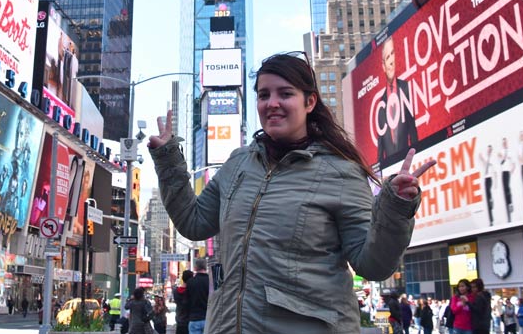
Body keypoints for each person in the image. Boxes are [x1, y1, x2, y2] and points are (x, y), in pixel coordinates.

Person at [148, 52, 434, 333]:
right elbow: (193, 222)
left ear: (309, 102)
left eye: (285, 94)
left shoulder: (341, 172)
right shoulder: (237, 163)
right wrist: (168, 159)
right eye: (263, 95)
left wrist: (395, 208)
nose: (272, 103)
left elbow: (373, 265)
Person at [377, 38, 418, 163]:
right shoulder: (381, 104)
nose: (391, 61)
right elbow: (381, 145)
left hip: (408, 160)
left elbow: (413, 128)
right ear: (383, 66)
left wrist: (418, 154)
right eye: (387, 57)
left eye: (393, 54)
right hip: (390, 170)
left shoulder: (406, 88)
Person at [186, 259, 210, 334]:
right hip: (208, 318)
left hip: (194, 319)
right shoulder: (211, 281)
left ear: (195, 268)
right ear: (205, 267)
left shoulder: (190, 282)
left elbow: (187, 301)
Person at [479, 144, 496, 226]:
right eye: (488, 149)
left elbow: (489, 165)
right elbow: (483, 161)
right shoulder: (486, 157)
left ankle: (491, 200)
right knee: (487, 198)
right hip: (485, 179)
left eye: (490, 149)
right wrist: (482, 158)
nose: (489, 151)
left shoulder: (492, 159)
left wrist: (483, 159)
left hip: (490, 178)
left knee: (489, 195)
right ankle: (491, 220)